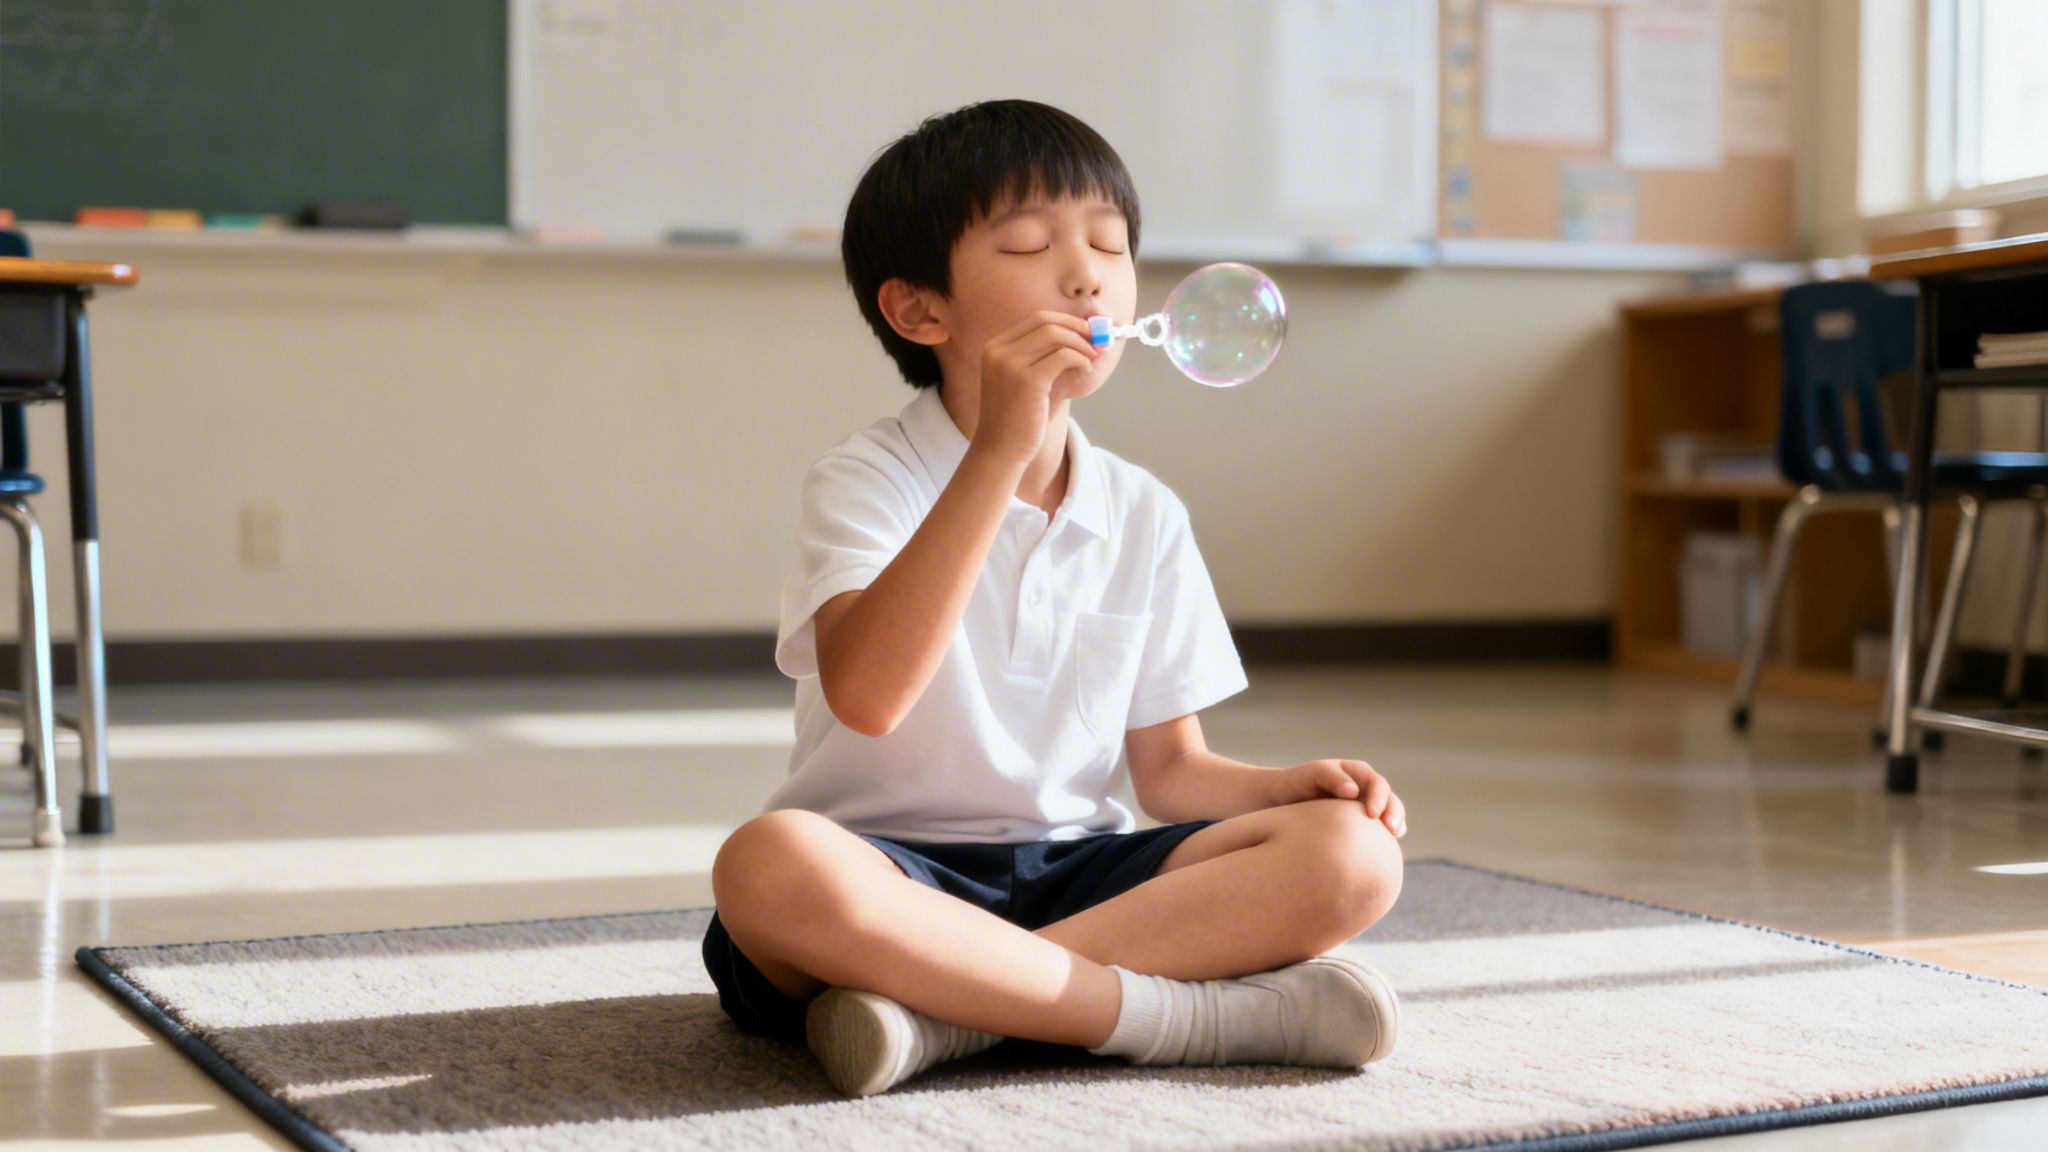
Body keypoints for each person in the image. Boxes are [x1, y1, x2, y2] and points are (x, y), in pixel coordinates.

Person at [707, 99, 1407, 1098]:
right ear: (919, 311)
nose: (1086, 275)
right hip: (885, 875)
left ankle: (946, 1017)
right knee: (766, 866)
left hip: (1075, 875)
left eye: (1110, 246)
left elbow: (1168, 772)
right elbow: (866, 695)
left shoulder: (1143, 510)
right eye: (1031, 246)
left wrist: (1283, 788)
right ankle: (1172, 1020)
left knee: (1351, 857)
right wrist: (998, 446)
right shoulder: (866, 477)